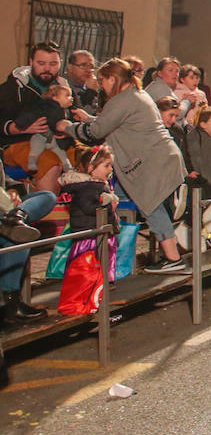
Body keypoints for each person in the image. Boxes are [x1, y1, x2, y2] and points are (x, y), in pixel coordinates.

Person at [58, 58, 189, 274]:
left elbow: (96, 133)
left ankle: (172, 259)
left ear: (113, 78)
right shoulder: (137, 95)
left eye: (103, 81)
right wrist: (89, 118)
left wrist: (68, 127)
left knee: (151, 206)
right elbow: (114, 123)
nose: (102, 86)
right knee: (146, 205)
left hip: (151, 161)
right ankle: (120, 255)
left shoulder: (121, 100)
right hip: (162, 156)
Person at [0, 41, 67, 192]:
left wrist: (67, 129)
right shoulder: (11, 88)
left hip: (57, 142)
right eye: (41, 63)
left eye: (53, 63)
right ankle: (46, 210)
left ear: (60, 64)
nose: (47, 68)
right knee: (49, 162)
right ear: (31, 62)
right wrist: (17, 128)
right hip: (17, 144)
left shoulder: (64, 88)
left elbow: (74, 116)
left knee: (90, 158)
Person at [0, 182, 58, 324]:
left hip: (5, 207)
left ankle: (16, 218)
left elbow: (10, 181)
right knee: (19, 237)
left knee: (47, 196)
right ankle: (11, 306)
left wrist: (13, 190)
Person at [16, 79, 78, 174]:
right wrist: (21, 124)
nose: (71, 98)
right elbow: (32, 116)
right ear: (55, 98)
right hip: (43, 136)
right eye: (67, 96)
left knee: (60, 151)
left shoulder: (66, 111)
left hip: (53, 138)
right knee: (36, 148)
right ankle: (32, 164)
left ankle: (67, 166)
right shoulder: (47, 108)